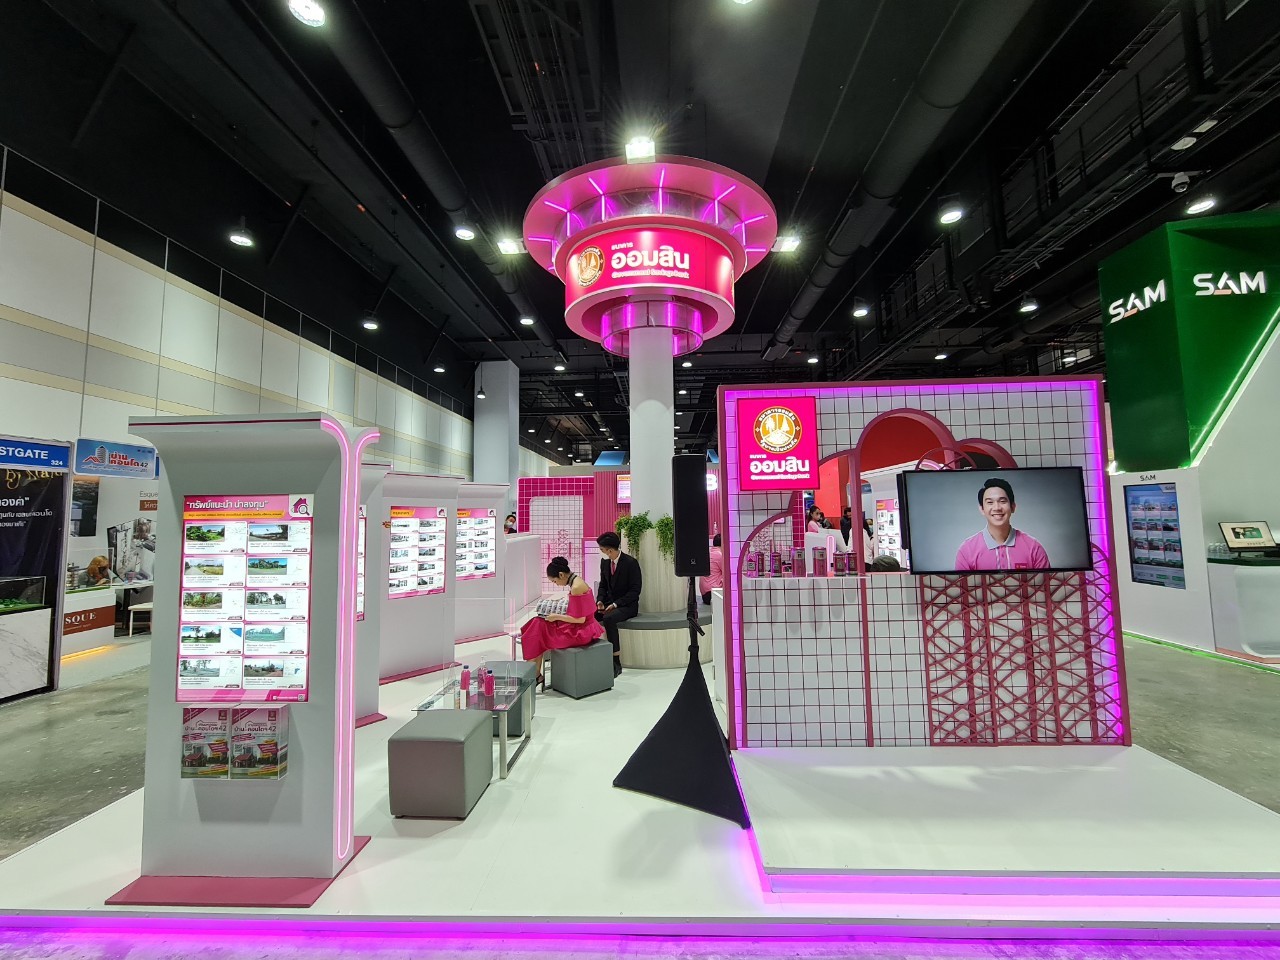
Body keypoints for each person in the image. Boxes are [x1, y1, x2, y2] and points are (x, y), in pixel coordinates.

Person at [520, 557, 604, 688]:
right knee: (537, 624)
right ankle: (535, 674)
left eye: (555, 581)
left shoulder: (576, 587)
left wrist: (556, 617)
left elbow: (581, 619)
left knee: (538, 629)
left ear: (561, 575)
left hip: (581, 631)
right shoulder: (577, 581)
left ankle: (534, 673)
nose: (556, 584)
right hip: (582, 626)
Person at [954, 477, 1051, 572]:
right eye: (990, 502)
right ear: (982, 509)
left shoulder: (1034, 548)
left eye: (1002, 501)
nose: (997, 508)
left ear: (1013, 507)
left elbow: (1046, 582)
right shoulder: (966, 550)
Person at [596, 531, 641, 676]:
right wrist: (600, 600)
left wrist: (616, 604)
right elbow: (603, 585)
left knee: (609, 618)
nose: (601, 552)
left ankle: (616, 660)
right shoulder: (605, 563)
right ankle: (593, 654)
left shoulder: (631, 563)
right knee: (590, 614)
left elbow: (635, 591)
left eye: (602, 549)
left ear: (609, 550)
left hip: (627, 605)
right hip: (609, 603)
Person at [700, 534, 723, 605]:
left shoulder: (708, 554)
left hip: (704, 594)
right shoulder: (719, 555)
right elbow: (727, 572)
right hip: (713, 594)